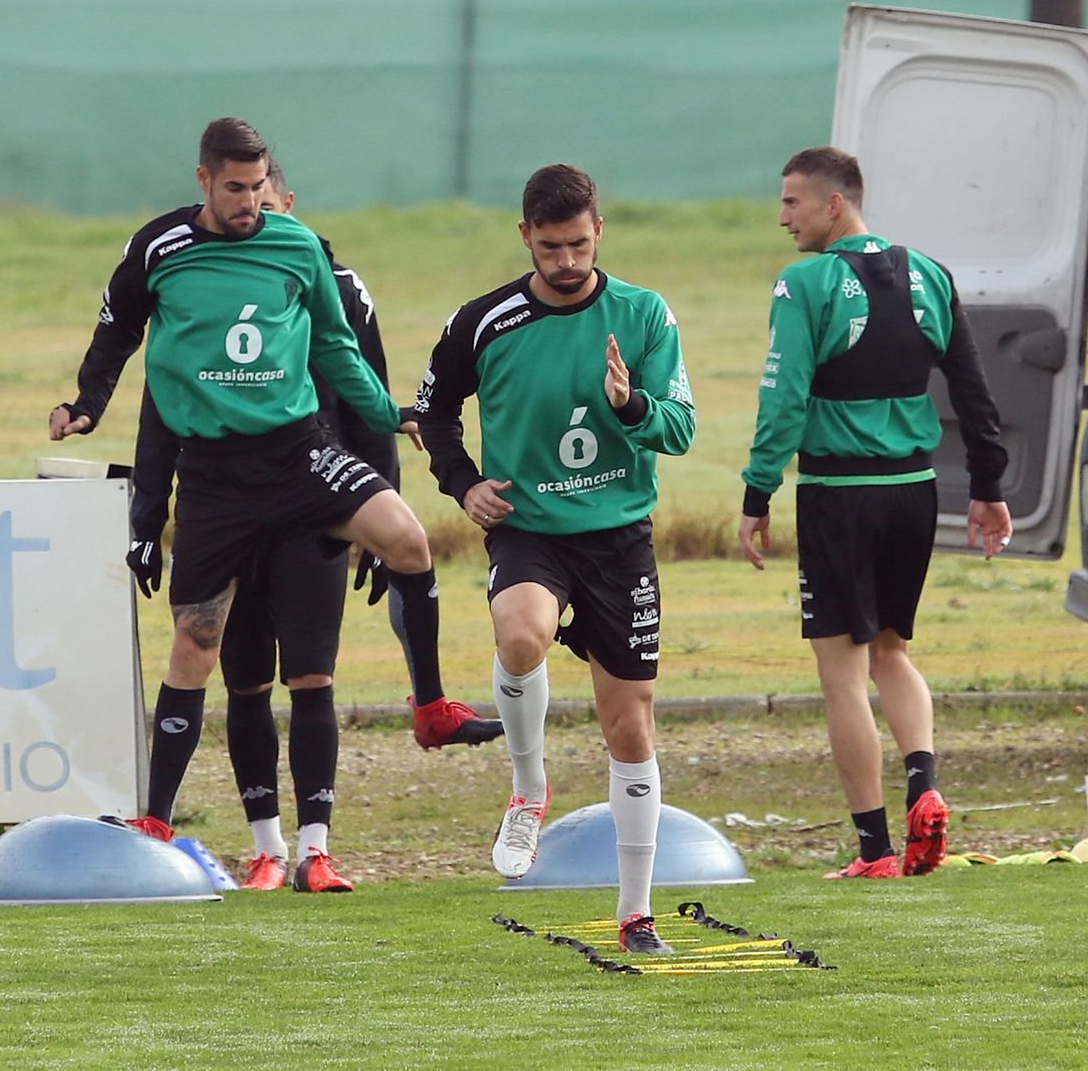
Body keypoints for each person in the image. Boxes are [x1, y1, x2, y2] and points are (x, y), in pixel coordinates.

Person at [50, 118, 437, 895]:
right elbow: (117, 330)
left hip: (298, 456)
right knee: (196, 645)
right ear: (203, 180)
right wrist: (88, 403)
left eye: (259, 187)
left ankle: (430, 704)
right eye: (234, 188)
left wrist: (389, 413)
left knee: (407, 538)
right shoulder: (160, 248)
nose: (249, 203)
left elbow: (336, 346)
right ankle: (155, 822)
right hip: (216, 479)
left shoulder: (298, 246)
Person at [125, 161, 503, 892]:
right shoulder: (197, 276)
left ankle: (316, 849)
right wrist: (147, 514)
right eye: (237, 199)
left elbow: (366, 384)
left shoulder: (330, 276)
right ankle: (261, 848)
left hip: (313, 490)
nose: (250, 215)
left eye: (264, 202)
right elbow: (159, 406)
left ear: (287, 205)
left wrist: (375, 497)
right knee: (237, 675)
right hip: (226, 496)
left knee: (313, 675)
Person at [413, 164, 695, 954]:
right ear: (525, 237)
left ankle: (636, 913)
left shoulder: (642, 314)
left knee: (629, 724)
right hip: (531, 527)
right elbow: (431, 411)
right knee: (520, 634)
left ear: (598, 230)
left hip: (618, 535)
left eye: (578, 244)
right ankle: (528, 788)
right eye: (550, 247)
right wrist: (462, 483)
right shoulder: (482, 321)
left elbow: (680, 427)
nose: (566, 262)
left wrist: (630, 404)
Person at [737, 146, 1013, 880]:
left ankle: (875, 850)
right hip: (914, 489)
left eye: (793, 201)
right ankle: (924, 784)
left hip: (839, 494)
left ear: (835, 204)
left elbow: (783, 399)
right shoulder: (930, 272)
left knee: (841, 672)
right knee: (892, 650)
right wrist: (988, 484)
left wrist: (757, 493)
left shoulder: (806, 283)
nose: (783, 216)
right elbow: (972, 389)